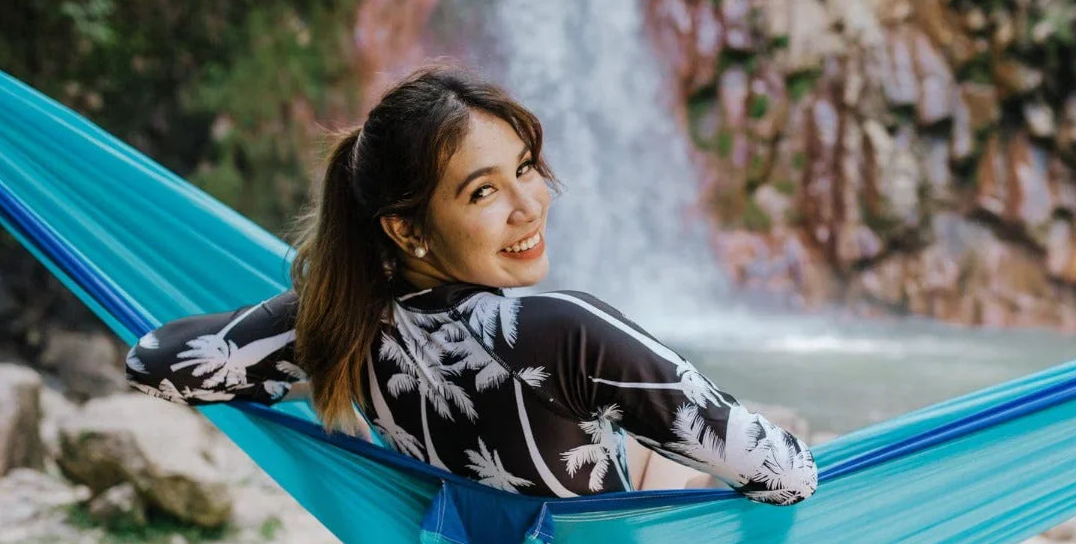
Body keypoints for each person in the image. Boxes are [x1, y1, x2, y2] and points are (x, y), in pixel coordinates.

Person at [125, 66, 817, 505]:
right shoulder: (559, 331)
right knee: (766, 428)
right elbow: (787, 478)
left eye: (525, 167)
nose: (529, 205)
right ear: (407, 229)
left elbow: (154, 361)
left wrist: (302, 313)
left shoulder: (344, 317)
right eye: (484, 192)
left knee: (637, 438)